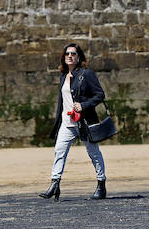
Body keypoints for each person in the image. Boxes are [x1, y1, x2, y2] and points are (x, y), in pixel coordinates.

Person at [39, 43, 108, 201]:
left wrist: (83, 105)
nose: (70, 56)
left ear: (79, 57)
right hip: (67, 122)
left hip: (84, 122)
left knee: (94, 153)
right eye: (67, 54)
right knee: (59, 151)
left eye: (74, 54)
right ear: (63, 58)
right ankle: (54, 185)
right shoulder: (63, 75)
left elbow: (100, 95)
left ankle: (101, 184)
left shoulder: (87, 74)